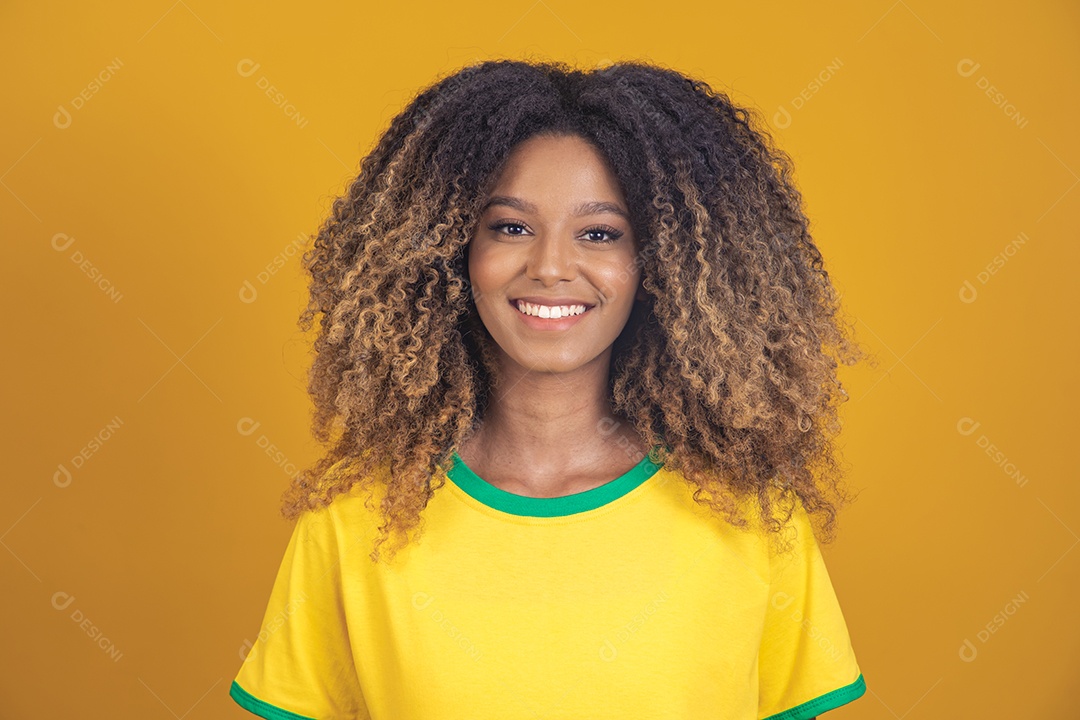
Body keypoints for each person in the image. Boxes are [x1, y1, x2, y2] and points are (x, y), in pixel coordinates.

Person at [228, 58, 876, 720]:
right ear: (451, 249)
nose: (551, 267)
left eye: (600, 234)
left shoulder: (753, 517)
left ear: (661, 265)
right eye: (511, 227)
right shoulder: (354, 518)